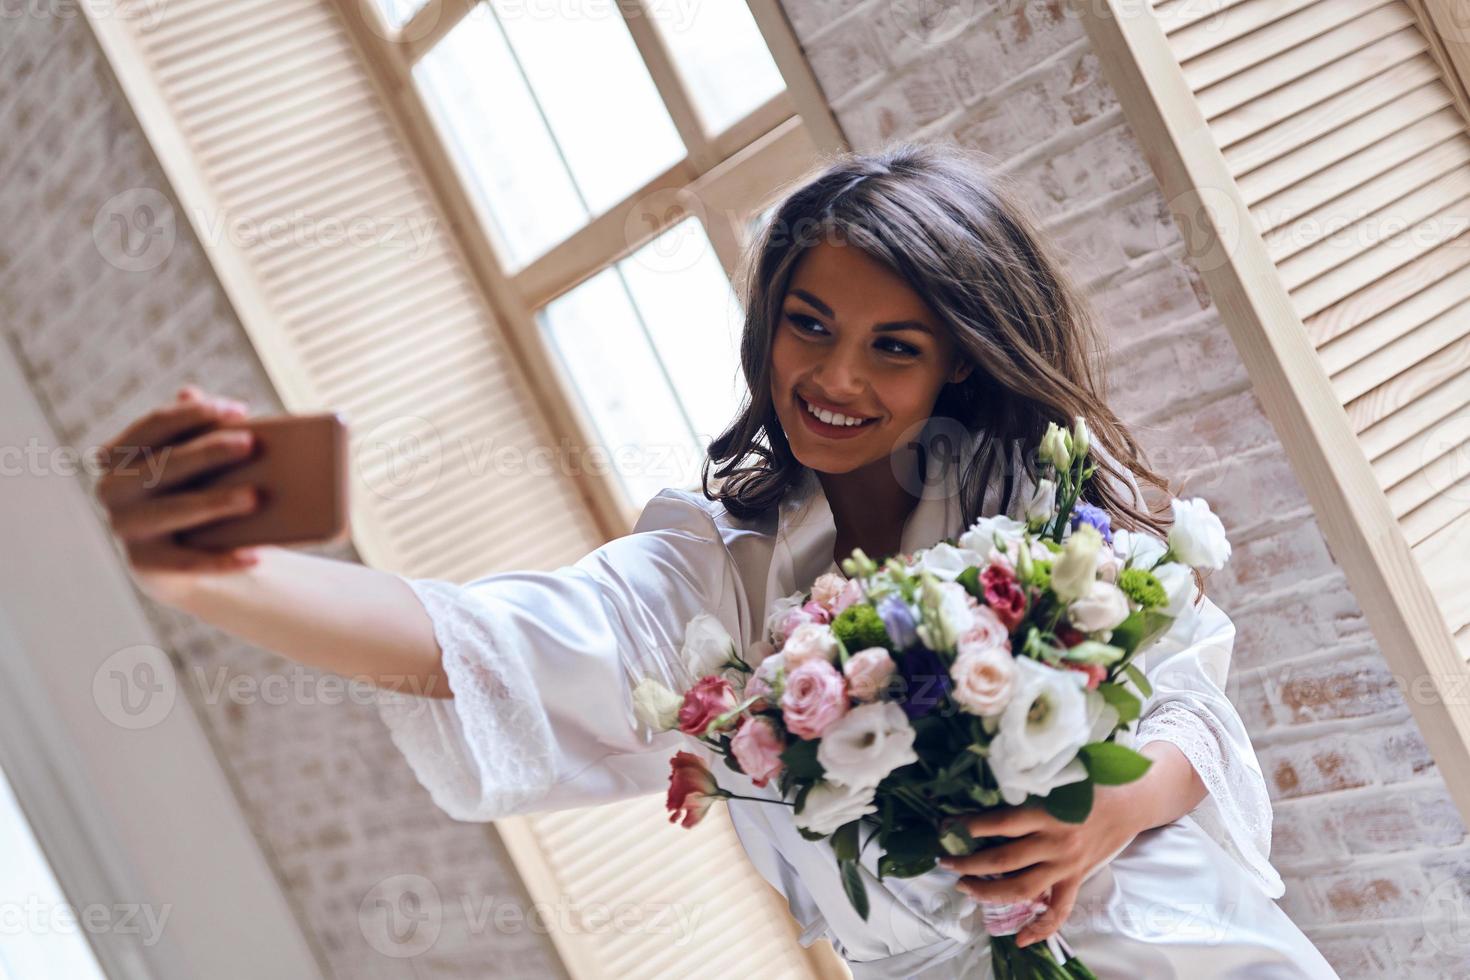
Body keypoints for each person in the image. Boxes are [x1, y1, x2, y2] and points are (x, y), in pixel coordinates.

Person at [94, 141, 1339, 977]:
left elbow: (1191, 704)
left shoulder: (1036, 496)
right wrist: (218, 573)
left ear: (958, 357)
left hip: (1187, 942)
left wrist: (1115, 806)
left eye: (892, 347)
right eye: (809, 324)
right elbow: (460, 641)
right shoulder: (712, 578)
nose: (836, 377)